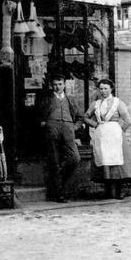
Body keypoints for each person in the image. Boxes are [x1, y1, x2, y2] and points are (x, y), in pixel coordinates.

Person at [84, 78, 131, 199]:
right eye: (101, 89)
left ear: (111, 89)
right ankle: (108, 190)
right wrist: (95, 124)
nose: (103, 91)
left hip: (116, 137)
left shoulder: (118, 103)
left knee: (118, 163)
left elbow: (128, 120)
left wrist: (119, 131)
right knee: (105, 162)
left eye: (106, 88)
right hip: (102, 136)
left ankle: (120, 190)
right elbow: (86, 117)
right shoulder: (95, 104)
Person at [39, 74, 83, 203]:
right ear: (51, 86)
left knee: (75, 158)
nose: (57, 87)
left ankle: (60, 183)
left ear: (64, 85)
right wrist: (44, 123)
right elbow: (39, 114)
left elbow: (80, 117)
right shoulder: (47, 99)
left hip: (68, 132)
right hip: (52, 132)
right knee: (54, 162)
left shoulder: (71, 100)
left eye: (60, 84)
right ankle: (59, 193)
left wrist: (74, 127)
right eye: (55, 85)